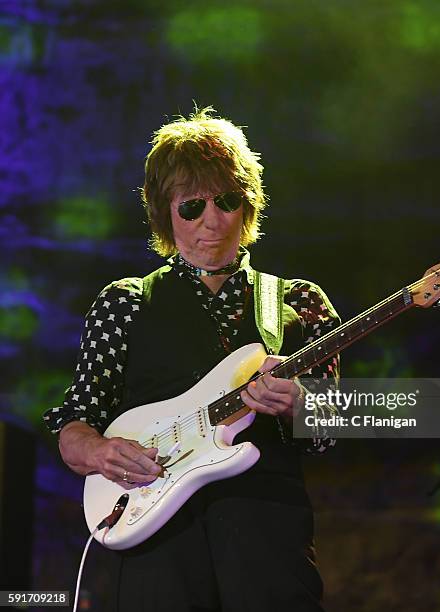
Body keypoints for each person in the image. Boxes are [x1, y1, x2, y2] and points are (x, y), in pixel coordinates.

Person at [44, 107, 340, 612]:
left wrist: (299, 404)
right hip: (155, 538)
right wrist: (101, 452)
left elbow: (334, 427)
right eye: (191, 207)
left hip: (267, 538)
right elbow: (74, 427)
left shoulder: (299, 301)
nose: (211, 220)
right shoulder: (126, 302)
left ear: (247, 207)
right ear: (165, 212)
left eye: (226, 201)